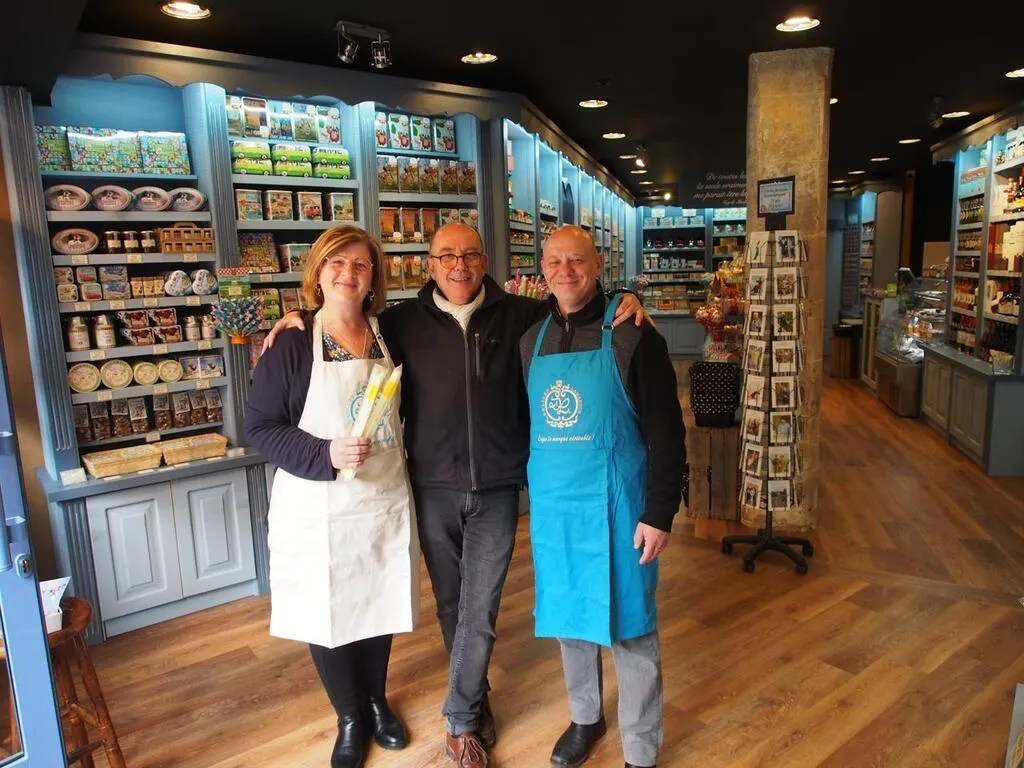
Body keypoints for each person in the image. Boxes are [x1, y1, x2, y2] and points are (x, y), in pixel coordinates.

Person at [262, 222, 647, 768]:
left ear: (486, 260)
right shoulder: (396, 325)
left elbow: (576, 306)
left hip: (495, 486)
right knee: (451, 604)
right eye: (446, 255)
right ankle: (472, 696)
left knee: (480, 605)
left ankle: (462, 717)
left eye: (469, 254)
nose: (458, 265)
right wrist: (298, 318)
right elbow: (337, 323)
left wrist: (627, 300)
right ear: (429, 265)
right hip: (429, 486)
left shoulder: (522, 316)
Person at [245, 225, 419, 768]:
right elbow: (260, 426)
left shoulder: (391, 332)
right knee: (328, 611)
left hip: (383, 498)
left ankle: (375, 700)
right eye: (336, 263)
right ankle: (349, 716)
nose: (348, 273)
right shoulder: (294, 342)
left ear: (374, 279)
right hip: (319, 505)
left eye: (360, 265)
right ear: (318, 274)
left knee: (379, 602)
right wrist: (325, 454)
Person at [519, 225, 687, 768]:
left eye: (576, 261)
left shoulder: (634, 334)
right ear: (541, 268)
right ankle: (585, 717)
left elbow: (668, 432)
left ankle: (640, 747)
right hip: (557, 513)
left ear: (597, 266)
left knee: (632, 629)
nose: (564, 271)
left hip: (620, 509)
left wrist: (659, 512)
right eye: (554, 261)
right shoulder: (532, 339)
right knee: (570, 620)